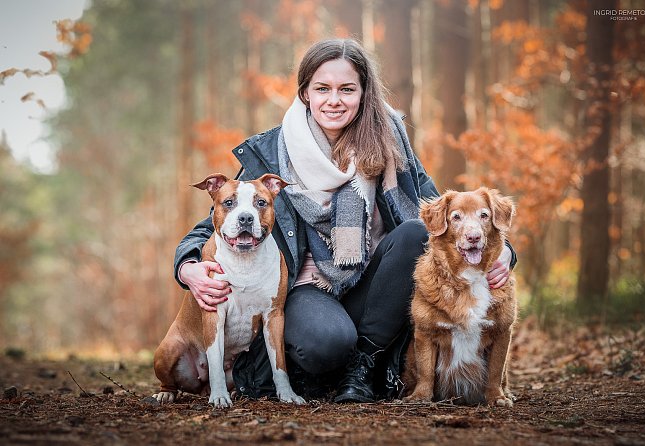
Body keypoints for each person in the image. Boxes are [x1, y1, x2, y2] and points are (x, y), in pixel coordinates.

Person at [174, 38, 516, 403]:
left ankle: (366, 366)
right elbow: (217, 219)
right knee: (325, 343)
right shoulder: (273, 152)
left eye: (346, 89)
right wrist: (188, 266)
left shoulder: (390, 140)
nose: (334, 100)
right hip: (310, 287)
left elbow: (441, 214)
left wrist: (505, 252)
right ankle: (319, 366)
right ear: (305, 92)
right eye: (322, 88)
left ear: (363, 92)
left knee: (415, 232)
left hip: (379, 283)